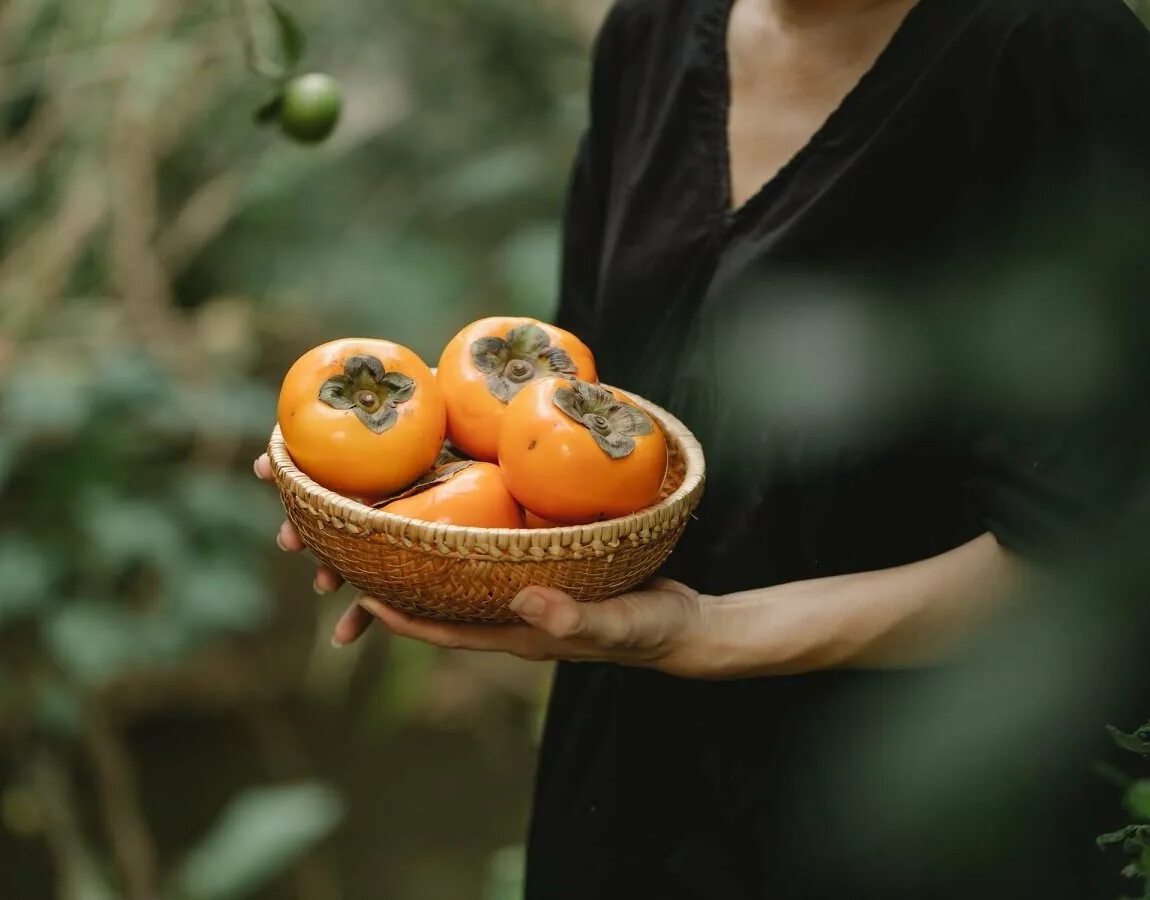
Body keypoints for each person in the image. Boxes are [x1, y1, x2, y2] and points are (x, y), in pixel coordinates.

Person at [256, 0, 1150, 896]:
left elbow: (1093, 551)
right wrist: (398, 508)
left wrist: (715, 633)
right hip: (629, 787)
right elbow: (561, 415)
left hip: (919, 819)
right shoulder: (650, 32)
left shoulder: (1053, 45)